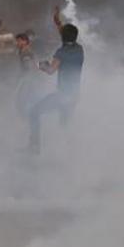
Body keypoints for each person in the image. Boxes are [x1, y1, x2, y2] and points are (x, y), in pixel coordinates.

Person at [28, 15, 85, 155]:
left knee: (34, 112)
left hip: (63, 95)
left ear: (63, 38)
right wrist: (59, 24)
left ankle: (35, 148)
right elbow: (67, 36)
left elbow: (51, 70)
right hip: (74, 95)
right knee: (64, 124)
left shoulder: (61, 52)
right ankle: (71, 154)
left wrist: (38, 64)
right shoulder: (79, 49)